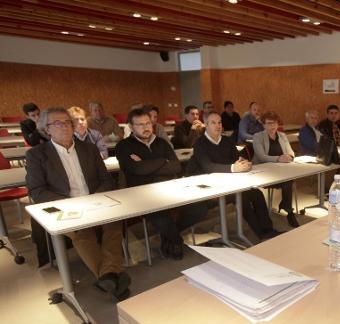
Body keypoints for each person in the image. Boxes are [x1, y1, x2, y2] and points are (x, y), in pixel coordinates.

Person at [26, 107, 129, 301]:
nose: (64, 126)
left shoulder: (89, 149)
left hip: (95, 202)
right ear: (47, 129)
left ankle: (108, 276)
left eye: (67, 122)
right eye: (58, 123)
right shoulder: (37, 155)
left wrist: (95, 199)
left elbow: (106, 180)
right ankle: (113, 277)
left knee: (114, 223)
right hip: (66, 208)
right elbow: (37, 191)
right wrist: (69, 204)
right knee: (82, 233)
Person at [115, 108, 205, 260]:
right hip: (142, 194)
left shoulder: (161, 143)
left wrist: (148, 165)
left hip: (170, 188)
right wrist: (163, 161)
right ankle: (175, 240)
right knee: (162, 216)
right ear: (131, 127)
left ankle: (168, 236)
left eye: (148, 123)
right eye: (140, 125)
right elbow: (136, 169)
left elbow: (176, 166)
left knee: (200, 209)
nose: (146, 127)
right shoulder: (123, 146)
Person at [187, 111, 280, 240]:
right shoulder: (199, 143)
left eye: (219, 122)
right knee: (242, 198)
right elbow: (207, 166)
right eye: (213, 123)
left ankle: (268, 228)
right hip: (211, 186)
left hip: (231, 180)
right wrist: (233, 168)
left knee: (256, 193)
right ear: (206, 125)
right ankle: (261, 233)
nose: (218, 125)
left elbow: (237, 157)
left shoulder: (227, 140)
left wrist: (243, 162)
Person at [253, 111, 299, 228]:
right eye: (268, 123)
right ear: (263, 125)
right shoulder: (258, 137)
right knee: (288, 181)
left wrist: (290, 157)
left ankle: (287, 209)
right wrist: (279, 158)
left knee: (288, 180)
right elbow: (261, 157)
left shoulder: (282, 136)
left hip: (281, 170)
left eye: (274, 123)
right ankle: (288, 210)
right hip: (264, 173)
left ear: (278, 124)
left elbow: (291, 152)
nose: (272, 126)